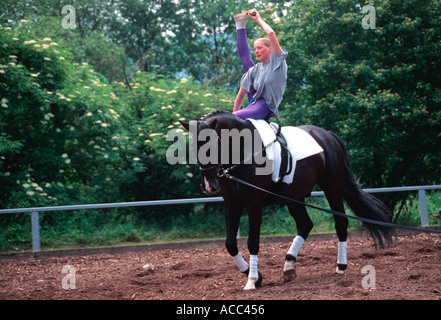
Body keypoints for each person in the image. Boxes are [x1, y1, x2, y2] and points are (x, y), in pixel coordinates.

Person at [232, 9, 288, 120]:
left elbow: (271, 33)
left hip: (266, 106)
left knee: (224, 118)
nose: (256, 51)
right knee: (247, 62)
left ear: (270, 49)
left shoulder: (278, 62)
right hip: (253, 103)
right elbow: (240, 95)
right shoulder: (255, 69)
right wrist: (233, 118)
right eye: (254, 49)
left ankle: (240, 24)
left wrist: (258, 19)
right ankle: (239, 24)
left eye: (259, 48)